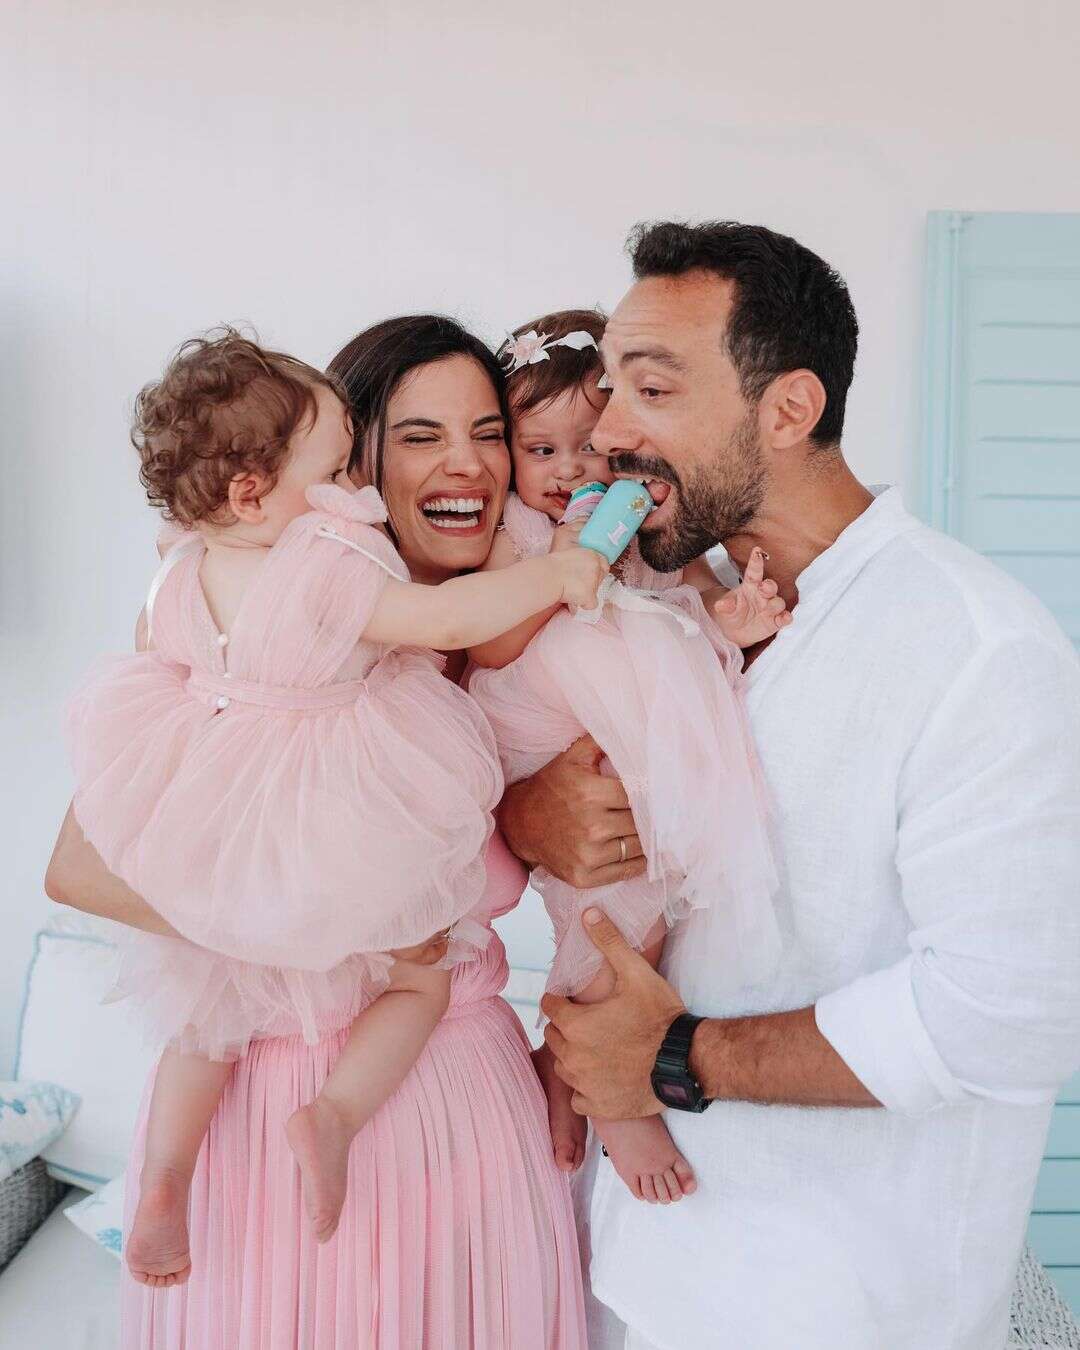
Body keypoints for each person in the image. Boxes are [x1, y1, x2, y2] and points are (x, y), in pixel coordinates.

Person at [502, 222, 1080, 1350]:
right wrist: (531, 816)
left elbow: (1007, 1020)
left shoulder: (977, 652)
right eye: (610, 388)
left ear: (789, 410)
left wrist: (676, 1057)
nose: (605, 432)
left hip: (828, 1312)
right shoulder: (668, 613)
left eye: (651, 390)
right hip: (629, 1276)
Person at [47, 315, 591, 1350]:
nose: (467, 463)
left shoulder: (533, 647)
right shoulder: (288, 607)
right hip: (262, 1104)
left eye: (489, 433)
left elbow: (615, 891)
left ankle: (170, 1174)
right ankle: (168, 1181)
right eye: (420, 436)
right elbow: (77, 870)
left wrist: (576, 1063)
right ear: (358, 458)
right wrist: (313, 918)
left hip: (459, 1109)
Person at [468, 307, 787, 1203]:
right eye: (541, 450)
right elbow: (488, 645)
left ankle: (569, 1054)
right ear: (511, 457)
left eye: (590, 447)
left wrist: (736, 619)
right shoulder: (519, 536)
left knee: (636, 911)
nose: (570, 470)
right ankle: (611, 1096)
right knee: (610, 904)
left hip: (622, 747)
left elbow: (694, 606)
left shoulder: (649, 526)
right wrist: (559, 571)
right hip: (542, 723)